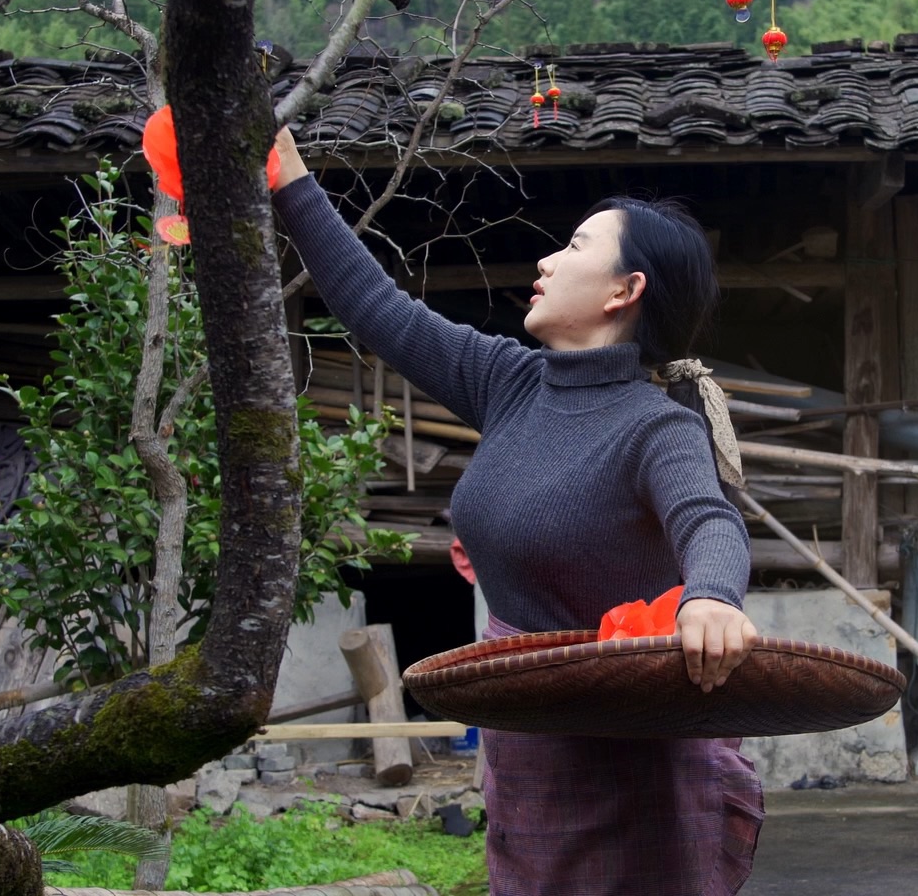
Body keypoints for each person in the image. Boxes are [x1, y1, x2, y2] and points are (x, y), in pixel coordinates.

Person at [269, 128, 764, 895]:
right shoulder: (508, 381)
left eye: (573, 247)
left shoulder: (657, 425)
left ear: (623, 291)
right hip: (531, 742)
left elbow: (710, 521)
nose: (546, 261)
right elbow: (374, 308)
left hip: (643, 758)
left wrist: (712, 596)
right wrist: (288, 172)